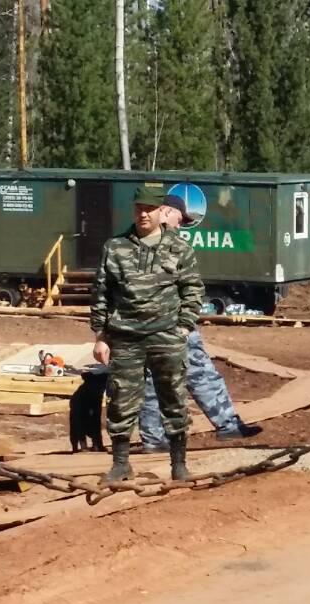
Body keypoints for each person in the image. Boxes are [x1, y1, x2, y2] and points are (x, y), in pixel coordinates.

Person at [90, 185, 204, 483]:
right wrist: (100, 336)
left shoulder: (179, 248)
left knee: (173, 399)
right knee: (121, 400)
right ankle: (121, 464)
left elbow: (193, 290)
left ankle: (178, 464)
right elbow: (101, 293)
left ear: (161, 211)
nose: (143, 214)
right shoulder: (115, 247)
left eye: (149, 209)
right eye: (139, 208)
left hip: (166, 336)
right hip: (125, 337)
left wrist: (184, 327)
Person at [136, 194, 261, 452]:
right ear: (166, 211)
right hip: (168, 325)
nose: (180, 225)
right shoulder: (159, 244)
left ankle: (154, 438)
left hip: (159, 324)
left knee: (156, 379)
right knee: (195, 373)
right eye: (179, 219)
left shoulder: (140, 242)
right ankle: (226, 425)